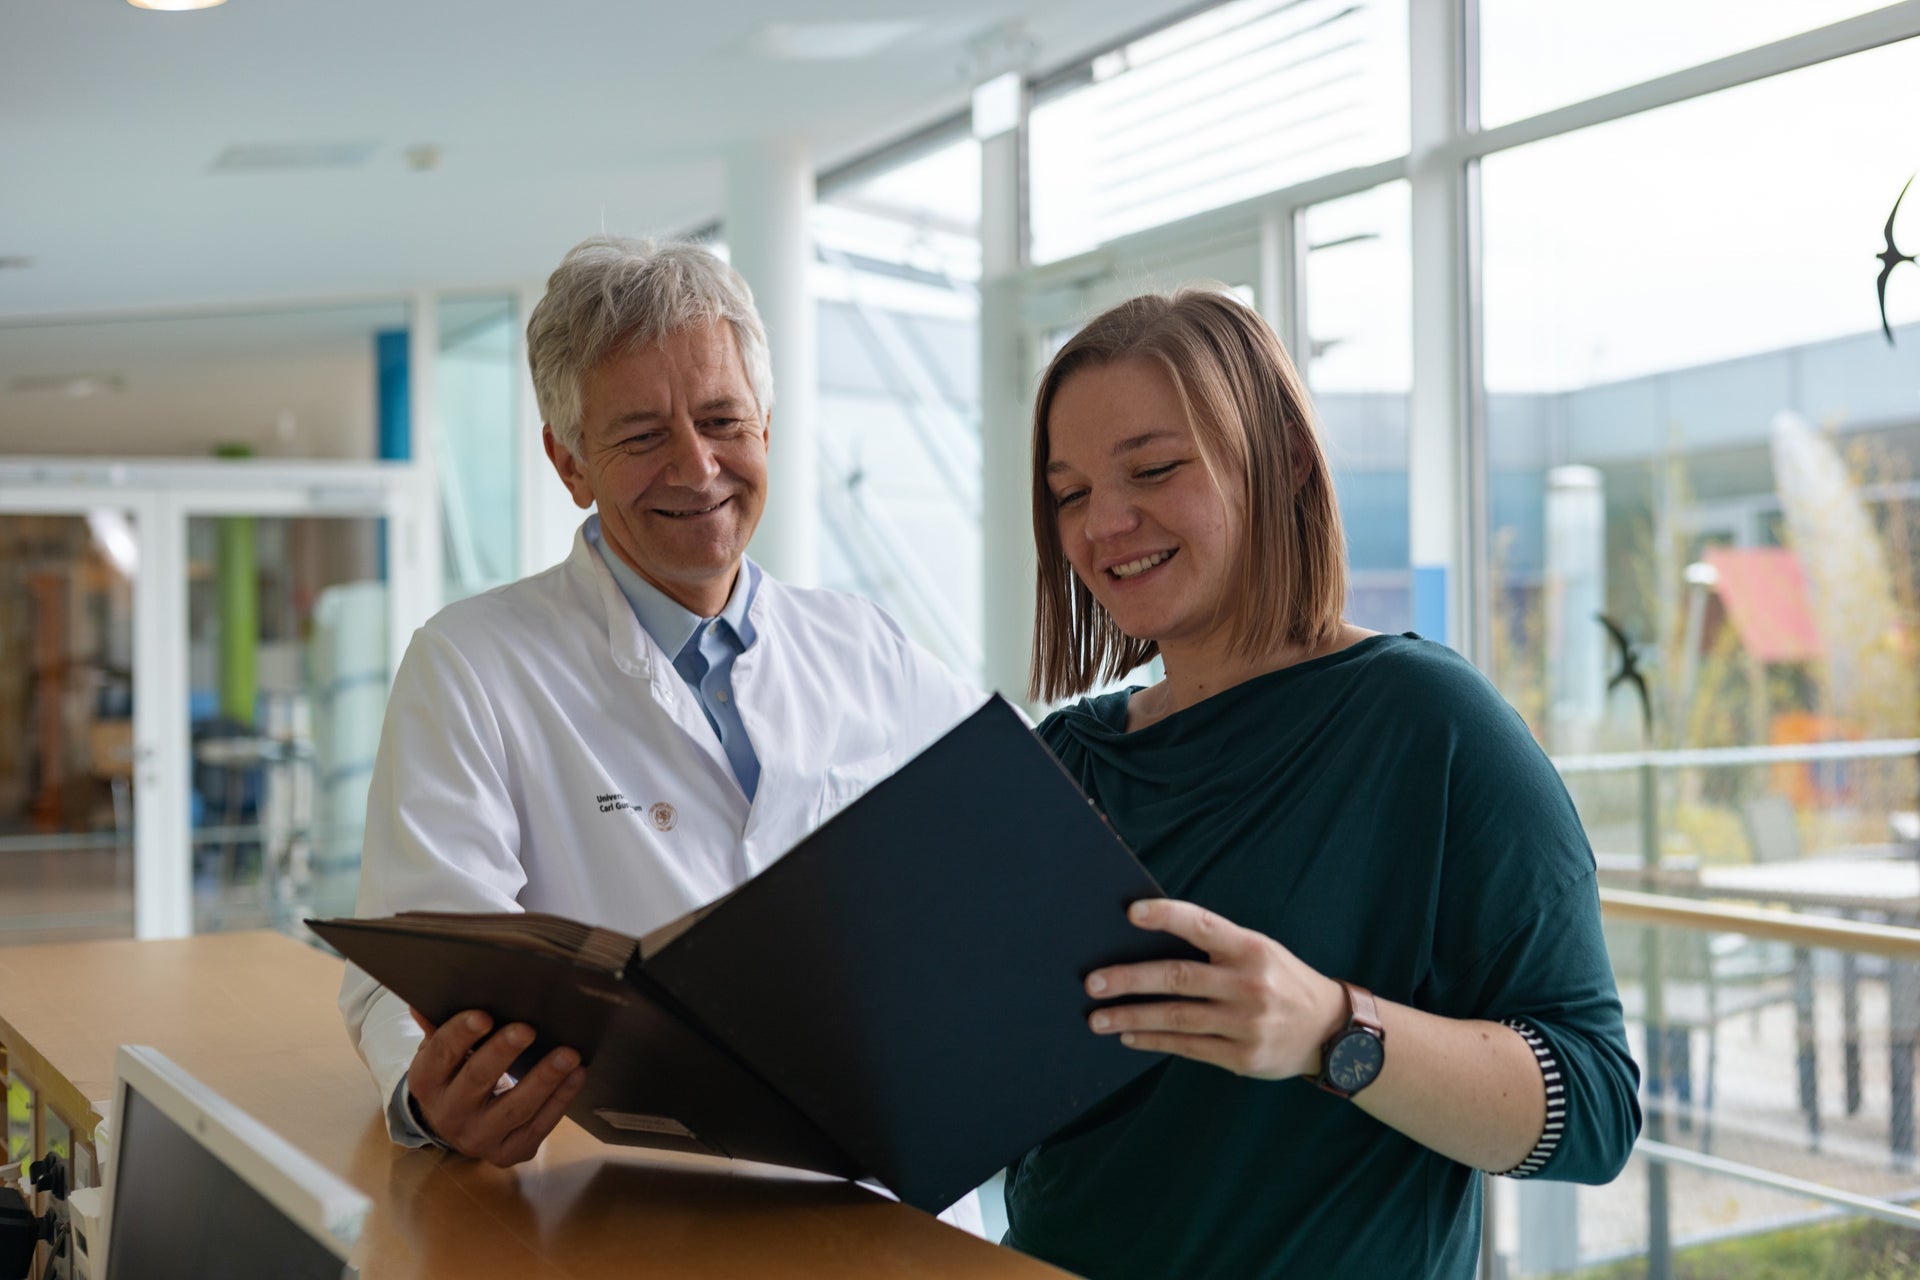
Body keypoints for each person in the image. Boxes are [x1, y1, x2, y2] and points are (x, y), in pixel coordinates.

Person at [337, 237, 984, 1228]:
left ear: (766, 423)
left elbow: (1010, 845)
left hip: (887, 1210)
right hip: (629, 1219)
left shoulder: (870, 650)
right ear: (567, 460)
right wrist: (433, 1098)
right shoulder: (473, 663)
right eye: (641, 435)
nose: (698, 465)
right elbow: (409, 963)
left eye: (724, 420)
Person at [1002, 289, 1639, 1277]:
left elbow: (1594, 1106)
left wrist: (1333, 1030)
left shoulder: (1431, 724)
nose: (1105, 522)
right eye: (1070, 491)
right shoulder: (1063, 759)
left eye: (1155, 468)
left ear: (1285, 459)